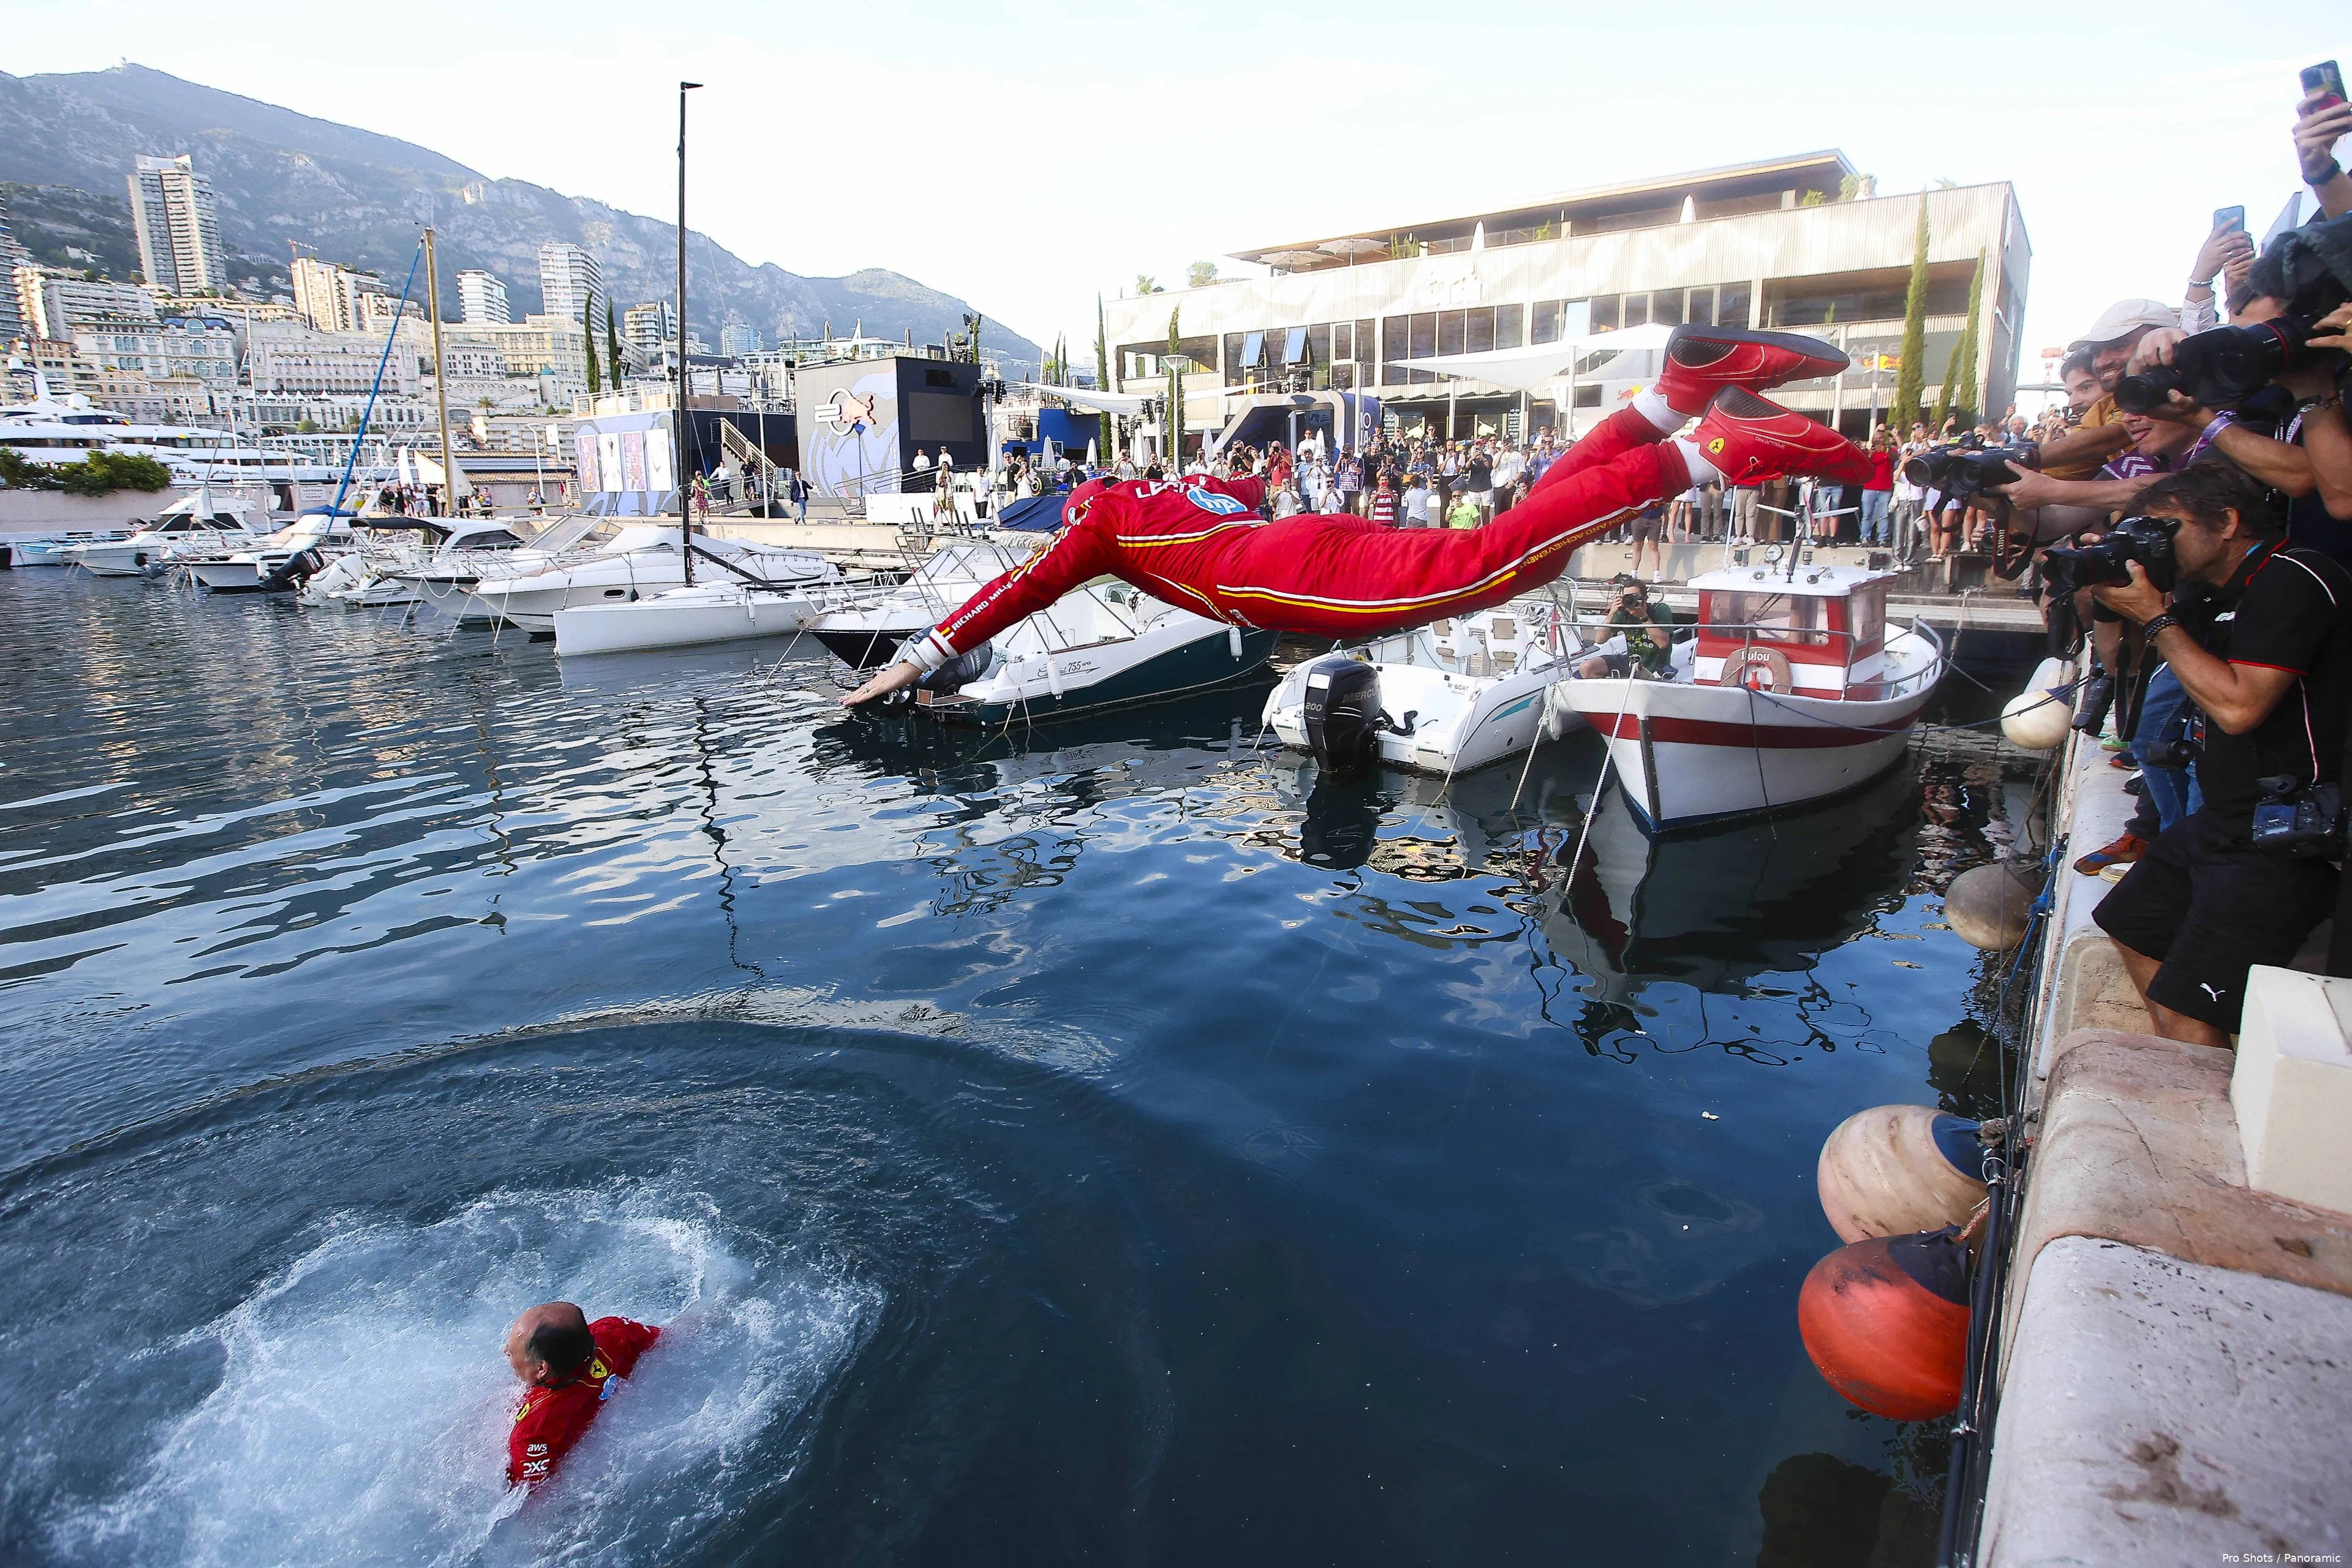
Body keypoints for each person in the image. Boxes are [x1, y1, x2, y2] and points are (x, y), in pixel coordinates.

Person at [842, 326, 1863, 706]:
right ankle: (1674, 395)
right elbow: (1244, 495)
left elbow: (1015, 590)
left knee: (1494, 564)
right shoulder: (1172, 488)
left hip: (1279, 579)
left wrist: (918, 658)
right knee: (1516, 556)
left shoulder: (1099, 525)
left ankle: (1706, 448)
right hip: (1307, 532)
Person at [2089, 463, 2352, 1045]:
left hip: (2293, 830)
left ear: (2227, 522)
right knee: (2130, 924)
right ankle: (2194, 1062)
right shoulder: (2212, 595)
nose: (2154, 543)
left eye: (2165, 528)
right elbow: (2117, 666)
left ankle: (2201, 1092)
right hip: (2230, 818)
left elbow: (2240, 708)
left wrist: (2156, 618)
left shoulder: (2293, 577)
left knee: (2191, 1007)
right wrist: (2109, 600)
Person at [505, 1302, 663, 1489]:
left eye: (513, 1351)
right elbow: (666, 1339)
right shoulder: (614, 1330)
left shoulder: (534, 1432)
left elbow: (526, 1498)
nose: (506, 1352)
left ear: (541, 1369)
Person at [1577, 576, 1677, 678]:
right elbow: (1599, 640)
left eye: (1635, 597)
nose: (1631, 601)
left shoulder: (1659, 610)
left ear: (1645, 598)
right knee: (1586, 667)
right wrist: (1612, 613)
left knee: (1640, 675)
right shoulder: (1624, 613)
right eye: (1627, 598)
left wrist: (1643, 617)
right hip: (1630, 661)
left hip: (1653, 666)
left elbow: (1663, 643)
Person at [1860, 430, 1895, 547]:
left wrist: (1885, 450)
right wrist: (1871, 453)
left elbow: (1895, 457)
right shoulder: (1868, 452)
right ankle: (1865, 537)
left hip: (1885, 488)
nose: (1878, 441)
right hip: (1869, 488)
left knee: (1884, 515)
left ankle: (1883, 538)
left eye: (1880, 439)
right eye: (1876, 439)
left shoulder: (1891, 450)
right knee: (1867, 515)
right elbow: (1864, 464)